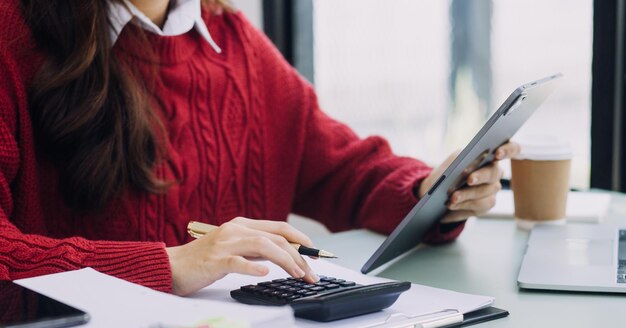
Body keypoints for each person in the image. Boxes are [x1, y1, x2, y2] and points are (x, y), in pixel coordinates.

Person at [0, 0, 518, 296]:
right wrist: (171, 264)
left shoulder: (231, 38)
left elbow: (340, 168)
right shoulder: (11, 38)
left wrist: (431, 190)